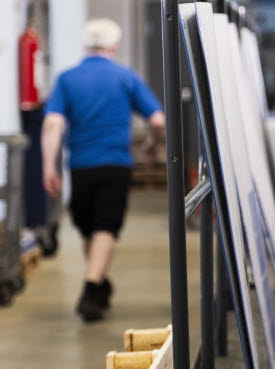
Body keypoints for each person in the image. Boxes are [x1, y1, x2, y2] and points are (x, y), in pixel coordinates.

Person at [41, 18, 164, 322]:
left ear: (85, 45)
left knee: (89, 227)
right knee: (104, 227)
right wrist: (153, 143)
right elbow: (158, 120)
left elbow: (52, 124)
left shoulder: (67, 79)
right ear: (114, 46)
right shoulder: (126, 76)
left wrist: (48, 166)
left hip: (80, 166)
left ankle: (95, 285)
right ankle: (94, 285)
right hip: (115, 164)